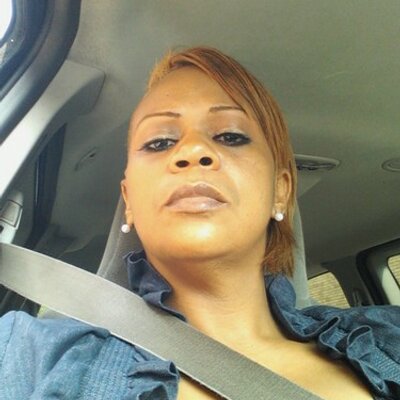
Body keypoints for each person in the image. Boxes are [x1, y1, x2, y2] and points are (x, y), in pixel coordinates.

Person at [0, 47, 399, 400]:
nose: (193, 150)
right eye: (159, 142)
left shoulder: (386, 337)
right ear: (129, 202)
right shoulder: (30, 355)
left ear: (281, 191)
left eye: (230, 136)